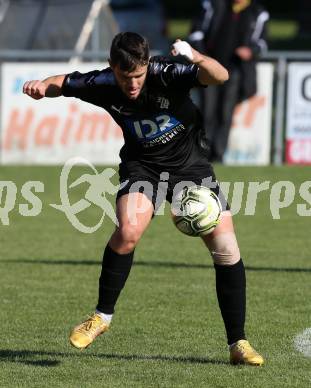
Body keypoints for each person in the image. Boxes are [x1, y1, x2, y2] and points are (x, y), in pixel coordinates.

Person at [23, 32, 264, 365]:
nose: (132, 84)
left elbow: (220, 75)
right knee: (128, 231)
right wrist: (40, 87)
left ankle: (239, 343)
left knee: (227, 249)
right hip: (142, 168)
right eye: (125, 77)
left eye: (137, 75)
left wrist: (194, 56)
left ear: (147, 65)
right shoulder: (104, 82)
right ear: (113, 68)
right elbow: (61, 82)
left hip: (190, 168)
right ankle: (101, 318)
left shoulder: (167, 73)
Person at [189, 0, 269, 162]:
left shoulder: (257, 12)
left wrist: (251, 51)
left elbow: (262, 44)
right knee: (207, 112)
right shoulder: (213, 5)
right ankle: (202, 153)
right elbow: (195, 33)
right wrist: (201, 57)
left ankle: (218, 154)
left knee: (225, 113)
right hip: (210, 70)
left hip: (235, 71)